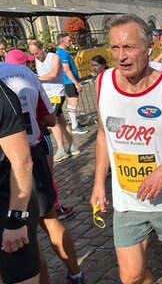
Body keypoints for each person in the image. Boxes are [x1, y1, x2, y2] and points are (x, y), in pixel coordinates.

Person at [90, 14, 162, 284]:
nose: (121, 56)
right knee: (130, 277)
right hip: (127, 200)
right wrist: (98, 184)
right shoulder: (102, 83)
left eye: (129, 47)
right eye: (115, 48)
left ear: (149, 48)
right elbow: (102, 134)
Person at [1, 50, 87, 284]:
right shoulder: (26, 74)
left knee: (26, 237)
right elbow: (49, 119)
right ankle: (76, 274)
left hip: (12, 162)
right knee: (48, 219)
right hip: (32, 151)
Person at [0, 79, 40, 284]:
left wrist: (16, 220)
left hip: (7, 203)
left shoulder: (1, 95)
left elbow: (22, 161)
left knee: (20, 278)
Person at [29, 40, 79, 163]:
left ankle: (61, 149)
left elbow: (53, 74)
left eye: (36, 53)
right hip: (46, 95)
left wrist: (36, 78)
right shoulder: (36, 60)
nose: (36, 56)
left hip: (57, 93)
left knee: (53, 120)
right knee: (61, 120)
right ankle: (73, 145)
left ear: (42, 48)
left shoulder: (54, 57)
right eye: (33, 54)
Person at [55, 33, 88, 135]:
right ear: (63, 41)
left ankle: (75, 123)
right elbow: (66, 69)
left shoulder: (60, 52)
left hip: (66, 81)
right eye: (68, 40)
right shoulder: (63, 53)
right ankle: (74, 126)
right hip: (68, 81)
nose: (70, 42)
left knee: (71, 102)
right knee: (74, 101)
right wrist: (76, 83)